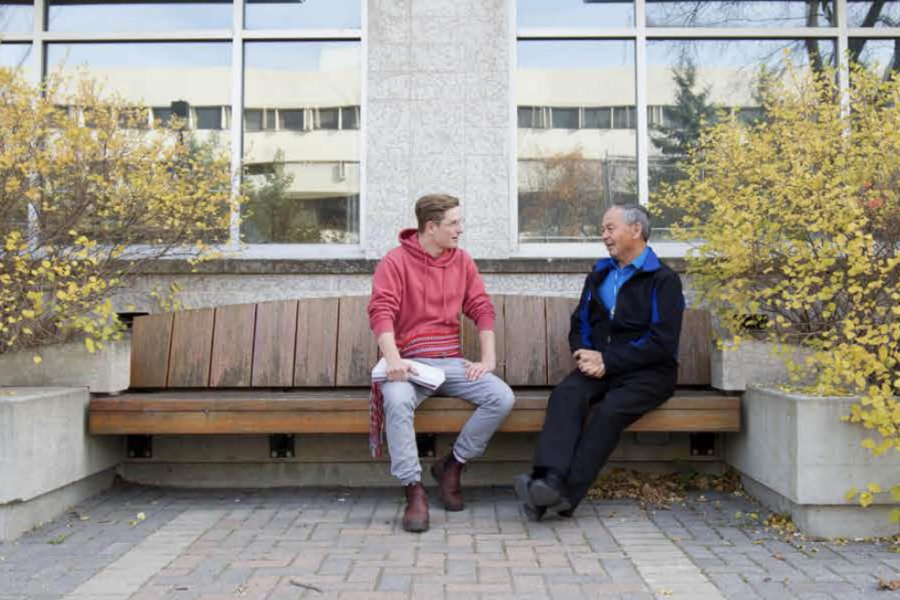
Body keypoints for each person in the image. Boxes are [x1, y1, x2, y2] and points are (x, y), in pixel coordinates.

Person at [515, 203, 685, 521]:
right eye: (603, 229)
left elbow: (662, 343)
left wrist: (609, 360)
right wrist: (583, 352)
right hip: (600, 366)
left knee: (608, 413)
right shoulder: (601, 273)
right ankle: (547, 479)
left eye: (610, 228)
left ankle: (564, 495)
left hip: (649, 373)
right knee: (566, 394)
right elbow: (581, 321)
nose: (603, 235)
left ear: (636, 230)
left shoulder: (663, 280)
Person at [368, 193, 515, 533]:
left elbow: (481, 307)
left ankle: (452, 466)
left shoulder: (462, 261)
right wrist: (393, 361)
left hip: (449, 361)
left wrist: (488, 359)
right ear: (431, 227)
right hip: (409, 362)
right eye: (453, 223)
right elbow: (381, 311)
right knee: (397, 400)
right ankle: (413, 490)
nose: (460, 230)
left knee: (501, 397)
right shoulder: (395, 262)